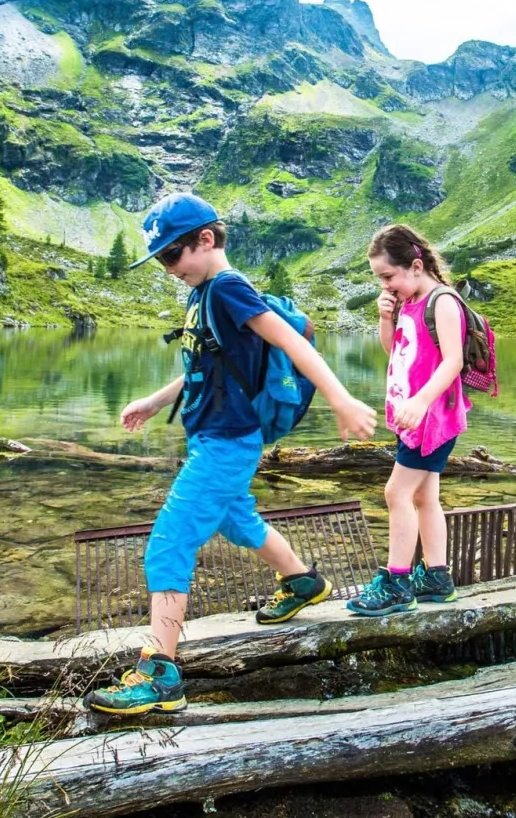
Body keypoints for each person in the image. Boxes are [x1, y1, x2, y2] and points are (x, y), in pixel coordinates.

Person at [85, 192, 377, 715]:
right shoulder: (201, 295)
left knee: (169, 542)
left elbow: (292, 343)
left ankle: (160, 673)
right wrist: (154, 402)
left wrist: (342, 399)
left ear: (205, 239)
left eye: (172, 255)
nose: (168, 268)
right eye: (160, 260)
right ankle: (303, 580)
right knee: (236, 520)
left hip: (228, 441)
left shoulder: (227, 288)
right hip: (211, 435)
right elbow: (202, 362)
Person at [345, 224, 467, 615]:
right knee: (424, 495)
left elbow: (454, 361)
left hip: (431, 418)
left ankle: (397, 582)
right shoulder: (410, 303)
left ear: (416, 266)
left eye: (387, 276)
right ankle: (436, 576)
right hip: (416, 419)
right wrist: (385, 320)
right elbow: (395, 353)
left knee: (396, 493)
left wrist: (421, 401)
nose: (385, 285)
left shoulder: (443, 301)